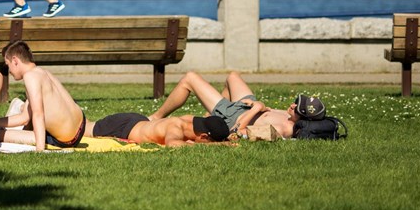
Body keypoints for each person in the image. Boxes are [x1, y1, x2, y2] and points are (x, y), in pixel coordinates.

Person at [149, 71, 297, 139]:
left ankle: (155, 117)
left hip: (233, 115)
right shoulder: (289, 117)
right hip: (246, 106)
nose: (293, 105)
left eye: (297, 108)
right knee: (233, 77)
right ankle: (210, 117)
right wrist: (260, 106)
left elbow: (237, 132)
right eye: (297, 103)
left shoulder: (282, 130)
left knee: (190, 78)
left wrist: (257, 108)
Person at [0, 40, 85, 151]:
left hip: (66, 139)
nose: (9, 71)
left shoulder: (30, 77)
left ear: (15, 61)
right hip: (79, 127)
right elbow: (25, 118)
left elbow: (38, 114)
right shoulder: (43, 72)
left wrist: (39, 149)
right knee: (25, 116)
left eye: (8, 65)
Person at [87, 112, 231, 147]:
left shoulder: (190, 120)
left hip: (137, 121)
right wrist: (218, 144)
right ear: (204, 136)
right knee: (79, 129)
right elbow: (172, 144)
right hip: (122, 127)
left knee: (85, 124)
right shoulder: (176, 128)